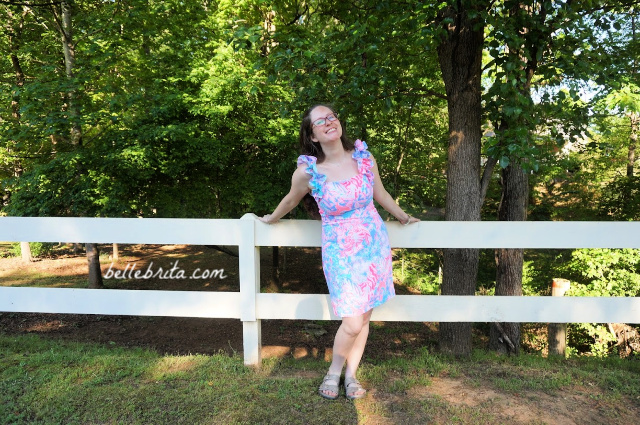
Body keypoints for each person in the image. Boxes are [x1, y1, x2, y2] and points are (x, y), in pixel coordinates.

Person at [259, 104, 419, 400]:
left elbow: (380, 194)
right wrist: (271, 218)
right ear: (313, 135)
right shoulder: (308, 172)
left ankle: (352, 376)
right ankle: (333, 372)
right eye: (321, 121)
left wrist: (403, 215)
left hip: (373, 245)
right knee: (353, 320)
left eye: (332, 116)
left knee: (365, 319)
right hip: (340, 251)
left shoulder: (364, 158)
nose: (330, 122)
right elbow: (291, 200)